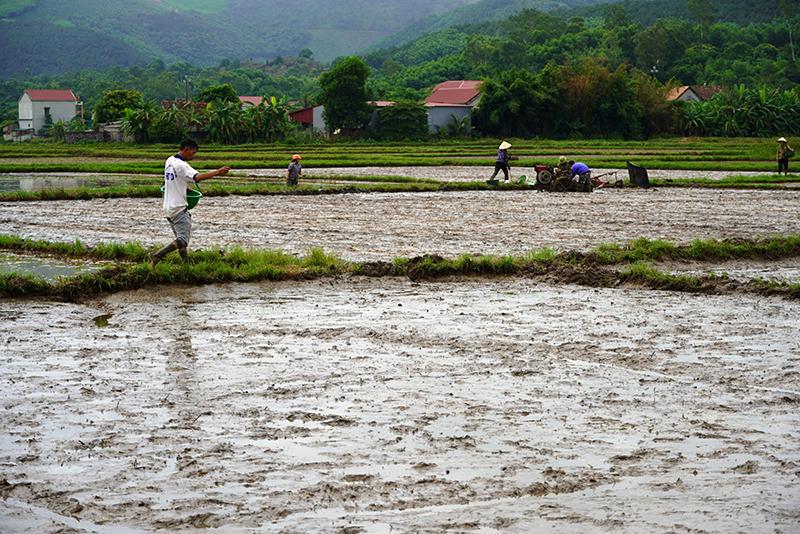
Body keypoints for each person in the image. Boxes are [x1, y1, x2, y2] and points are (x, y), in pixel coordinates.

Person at [149, 138, 231, 267]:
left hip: (168, 207)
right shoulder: (182, 165)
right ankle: (158, 255)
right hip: (179, 207)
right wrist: (218, 172)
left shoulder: (170, 160)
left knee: (181, 239)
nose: (193, 157)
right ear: (186, 149)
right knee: (182, 240)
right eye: (193, 153)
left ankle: (186, 266)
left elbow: (175, 180)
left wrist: (185, 188)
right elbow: (197, 177)